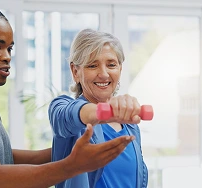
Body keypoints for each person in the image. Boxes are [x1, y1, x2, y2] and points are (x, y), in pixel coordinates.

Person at [0, 2, 136, 188]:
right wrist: (72, 165)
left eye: (9, 49)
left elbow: (3, 158)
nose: (6, 57)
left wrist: (67, 149)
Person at [48, 28, 149, 188]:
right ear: (75, 71)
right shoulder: (65, 112)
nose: (103, 74)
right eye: (92, 65)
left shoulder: (130, 125)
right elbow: (67, 115)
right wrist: (102, 112)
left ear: (120, 69)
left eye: (111, 65)